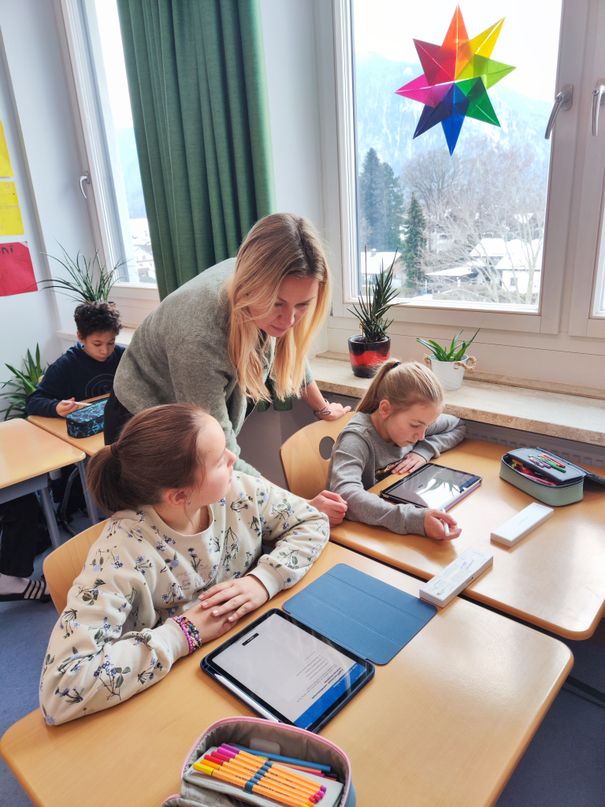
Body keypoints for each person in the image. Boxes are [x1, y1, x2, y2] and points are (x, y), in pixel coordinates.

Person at [39, 403, 329, 725]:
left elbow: (312, 521)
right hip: (172, 697)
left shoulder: (238, 490)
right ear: (179, 496)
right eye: (219, 461)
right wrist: (183, 634)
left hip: (248, 652)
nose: (233, 459)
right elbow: (59, 690)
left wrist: (263, 581)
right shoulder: (120, 554)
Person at [105, 212, 349, 525]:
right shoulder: (199, 335)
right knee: (170, 538)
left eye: (302, 305)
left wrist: (322, 407)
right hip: (144, 425)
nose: (289, 319)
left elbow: (291, 352)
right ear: (251, 287)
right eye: (277, 304)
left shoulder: (263, 288)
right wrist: (299, 506)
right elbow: (223, 454)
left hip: (188, 411)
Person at [328, 360, 466, 540]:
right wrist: (415, 520)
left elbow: (458, 426)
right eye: (415, 425)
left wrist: (423, 451)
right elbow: (346, 494)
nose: (421, 435)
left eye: (427, 426)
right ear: (385, 409)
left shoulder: (415, 421)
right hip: (358, 534)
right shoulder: (356, 439)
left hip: (389, 513)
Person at [27, 301, 124, 418]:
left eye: (111, 343)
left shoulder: (122, 355)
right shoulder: (66, 365)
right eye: (97, 344)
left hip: (116, 419)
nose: (105, 351)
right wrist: (55, 408)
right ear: (80, 337)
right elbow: (33, 402)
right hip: (84, 424)